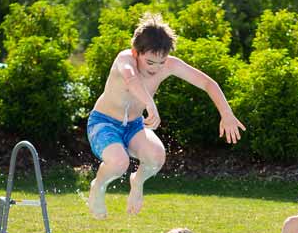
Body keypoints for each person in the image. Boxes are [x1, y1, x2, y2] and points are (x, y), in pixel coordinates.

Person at [86, 12, 245, 219]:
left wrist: (227, 113)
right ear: (136, 52)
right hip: (104, 123)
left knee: (156, 157)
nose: (156, 68)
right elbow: (132, 81)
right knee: (118, 163)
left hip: (133, 124)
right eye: (150, 62)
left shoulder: (170, 64)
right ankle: (97, 187)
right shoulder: (125, 60)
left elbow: (207, 83)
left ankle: (138, 182)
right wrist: (150, 104)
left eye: (161, 62)